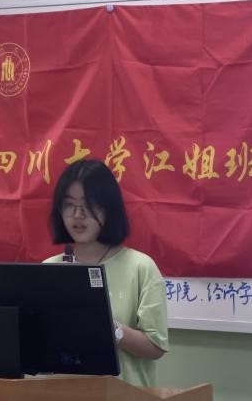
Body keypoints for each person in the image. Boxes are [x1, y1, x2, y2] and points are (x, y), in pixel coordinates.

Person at [43, 159, 168, 387]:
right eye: (69, 204)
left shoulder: (140, 267)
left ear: (109, 209)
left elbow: (155, 347)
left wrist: (109, 327)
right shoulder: (49, 268)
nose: (78, 214)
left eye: (89, 205)